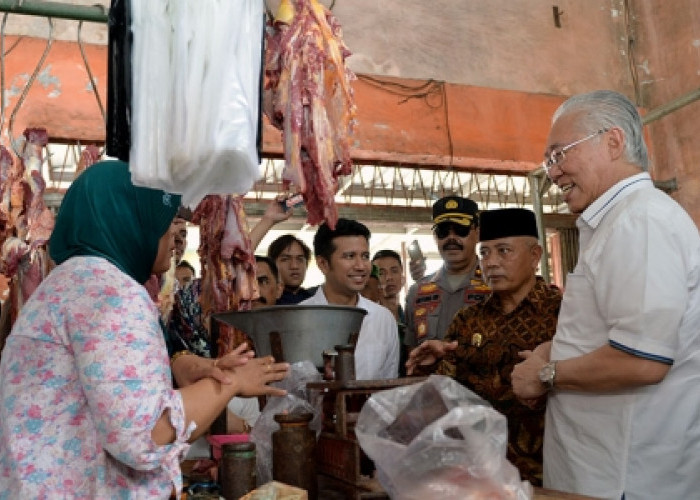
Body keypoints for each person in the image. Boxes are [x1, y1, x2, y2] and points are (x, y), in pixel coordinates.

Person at [0, 161, 289, 498]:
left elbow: (109, 388)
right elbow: (145, 432)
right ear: (128, 222)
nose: (170, 234)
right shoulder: (112, 293)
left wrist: (192, 369)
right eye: (162, 222)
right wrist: (230, 384)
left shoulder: (70, 283)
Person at [510, 90, 700, 499]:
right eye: (549, 161)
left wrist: (547, 374)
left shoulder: (640, 221)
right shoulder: (616, 222)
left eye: (560, 154)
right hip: (602, 471)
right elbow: (612, 332)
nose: (554, 173)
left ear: (613, 142)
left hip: (626, 477)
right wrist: (550, 350)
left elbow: (642, 360)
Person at [406, 208, 561, 485]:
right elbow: (449, 395)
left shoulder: (562, 314)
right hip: (480, 473)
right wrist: (435, 364)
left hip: (550, 470)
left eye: (503, 251)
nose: (491, 263)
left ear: (535, 256)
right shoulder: (468, 319)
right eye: (485, 253)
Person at [301, 218, 399, 380]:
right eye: (349, 256)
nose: (361, 266)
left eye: (365, 256)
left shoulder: (383, 319)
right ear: (323, 264)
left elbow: (389, 386)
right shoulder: (300, 319)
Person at [404, 196, 490, 349]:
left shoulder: (495, 286)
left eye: (460, 230)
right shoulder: (417, 292)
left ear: (477, 233)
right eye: (443, 232)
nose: (451, 238)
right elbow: (410, 353)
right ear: (435, 236)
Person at [372, 249, 408, 375]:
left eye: (394, 271)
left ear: (402, 277)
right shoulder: (370, 318)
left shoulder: (409, 315)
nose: (389, 278)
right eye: (382, 273)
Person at [268, 234, 317, 304]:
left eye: (300, 259)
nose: (294, 266)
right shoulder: (265, 300)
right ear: (272, 265)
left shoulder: (315, 300)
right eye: (285, 259)